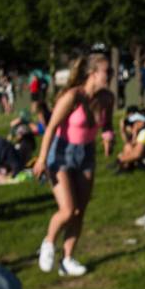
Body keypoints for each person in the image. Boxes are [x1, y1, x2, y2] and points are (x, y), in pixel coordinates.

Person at [33, 53, 115, 277]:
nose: (111, 75)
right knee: (68, 210)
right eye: (107, 71)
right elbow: (50, 128)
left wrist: (108, 136)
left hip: (86, 154)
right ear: (93, 73)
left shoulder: (107, 98)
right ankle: (48, 242)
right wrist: (41, 159)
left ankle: (67, 260)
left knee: (80, 211)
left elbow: (107, 123)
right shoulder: (72, 96)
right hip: (61, 153)